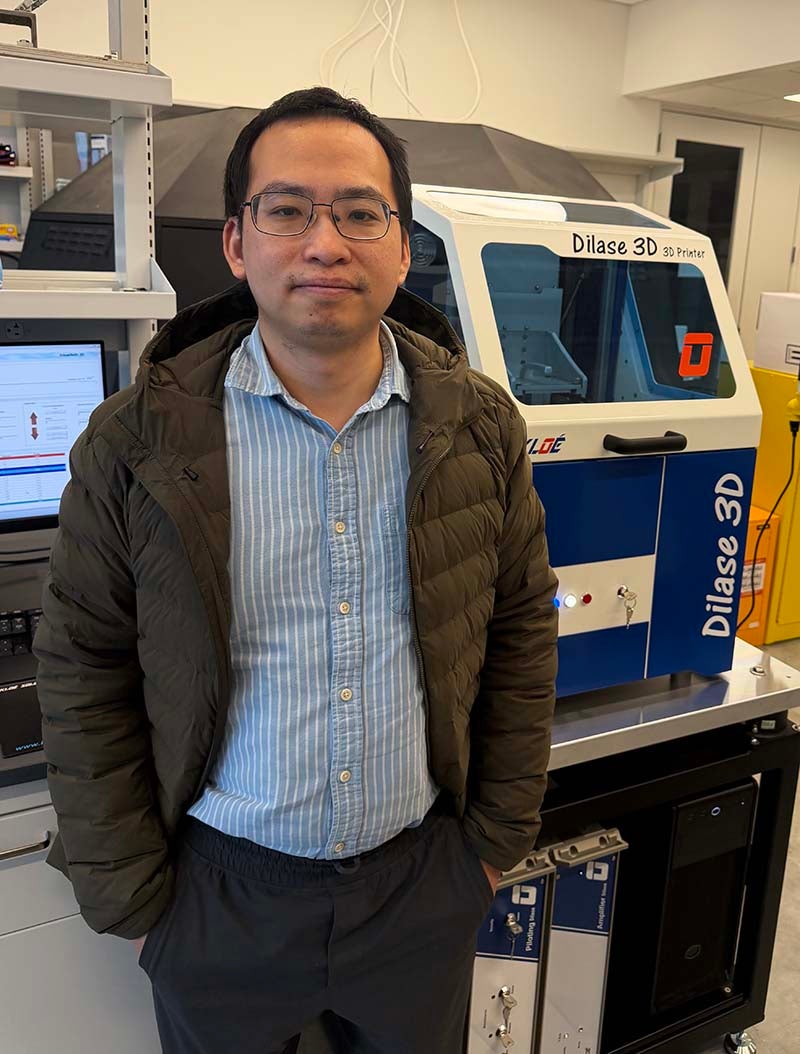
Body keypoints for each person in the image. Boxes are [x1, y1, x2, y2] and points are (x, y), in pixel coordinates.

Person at [34, 87, 558, 1054]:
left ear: (402, 246)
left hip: (421, 888)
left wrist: (491, 849)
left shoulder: (478, 426)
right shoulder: (138, 441)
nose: (326, 243)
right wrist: (138, 902)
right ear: (239, 244)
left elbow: (524, 627)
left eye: (361, 213)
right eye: (288, 210)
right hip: (219, 900)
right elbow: (83, 669)